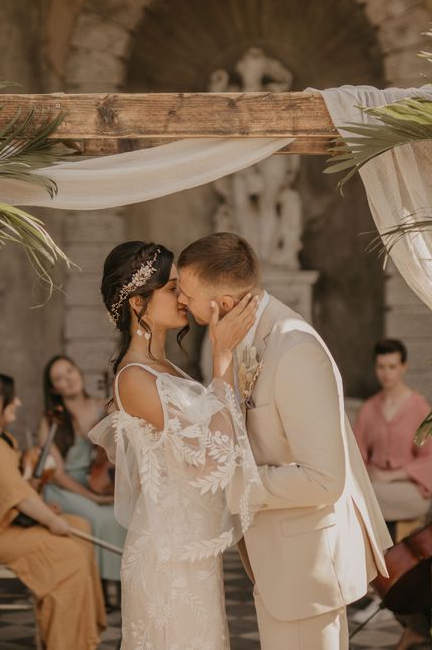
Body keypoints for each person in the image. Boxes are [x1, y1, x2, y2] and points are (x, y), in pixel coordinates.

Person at [176, 232, 392, 650]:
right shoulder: (244, 340)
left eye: (185, 292)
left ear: (221, 303)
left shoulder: (294, 350)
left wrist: (237, 486)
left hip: (306, 566)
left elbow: (325, 479)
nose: (181, 301)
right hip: (281, 561)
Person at [89, 241, 264, 649]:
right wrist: (221, 359)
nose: (184, 297)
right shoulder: (133, 378)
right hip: (168, 557)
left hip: (191, 547)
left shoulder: (168, 369)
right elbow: (207, 459)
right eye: (172, 288)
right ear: (137, 302)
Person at [0, 372, 106, 650]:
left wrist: (44, 509)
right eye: (12, 399)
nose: (19, 402)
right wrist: (48, 519)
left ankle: (82, 636)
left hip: (2, 526)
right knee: (69, 555)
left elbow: (16, 491)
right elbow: (17, 496)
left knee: (80, 528)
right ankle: (66, 643)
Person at [38, 354, 126, 604]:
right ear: (54, 388)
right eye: (59, 378)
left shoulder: (103, 406)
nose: (68, 379)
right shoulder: (52, 419)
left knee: (119, 516)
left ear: (78, 372)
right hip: (65, 488)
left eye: (70, 371)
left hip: (98, 481)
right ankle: (97, 590)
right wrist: (92, 496)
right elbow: (57, 473)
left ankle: (121, 588)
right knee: (97, 516)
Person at [353, 339, 432, 538]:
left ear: (403, 367)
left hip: (409, 491)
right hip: (376, 485)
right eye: (381, 367)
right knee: (360, 492)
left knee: (359, 498)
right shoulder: (368, 409)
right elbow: (356, 455)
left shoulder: (420, 409)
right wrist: (369, 472)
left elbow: (428, 457)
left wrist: (391, 476)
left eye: (392, 367)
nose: (386, 373)